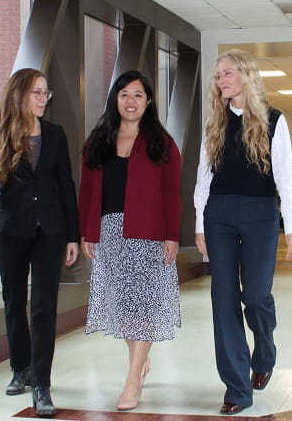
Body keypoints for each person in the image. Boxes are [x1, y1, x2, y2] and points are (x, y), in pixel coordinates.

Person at [193, 50, 292, 415]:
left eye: (227, 73)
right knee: (223, 299)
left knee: (255, 296)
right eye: (218, 75)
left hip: (260, 214)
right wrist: (199, 224)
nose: (221, 79)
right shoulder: (215, 122)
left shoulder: (275, 120)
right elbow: (203, 178)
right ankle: (237, 388)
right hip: (220, 215)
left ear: (245, 75)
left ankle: (265, 350)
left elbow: (286, 178)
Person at [0, 68, 80, 417]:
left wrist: (72, 236)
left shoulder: (55, 134)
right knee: (13, 302)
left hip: (50, 232)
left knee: (43, 307)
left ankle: (41, 384)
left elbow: (66, 186)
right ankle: (19, 367)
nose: (42, 99)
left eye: (46, 93)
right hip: (11, 233)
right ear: (20, 94)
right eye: (37, 92)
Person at [78, 70, 182, 411]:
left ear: (148, 101)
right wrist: (86, 232)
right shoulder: (98, 141)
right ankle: (140, 359)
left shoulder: (161, 143)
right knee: (124, 306)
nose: (131, 101)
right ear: (115, 99)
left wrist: (172, 235)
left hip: (150, 233)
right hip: (109, 234)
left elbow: (172, 193)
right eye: (124, 94)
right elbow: (88, 190)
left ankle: (133, 378)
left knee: (145, 304)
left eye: (138, 95)